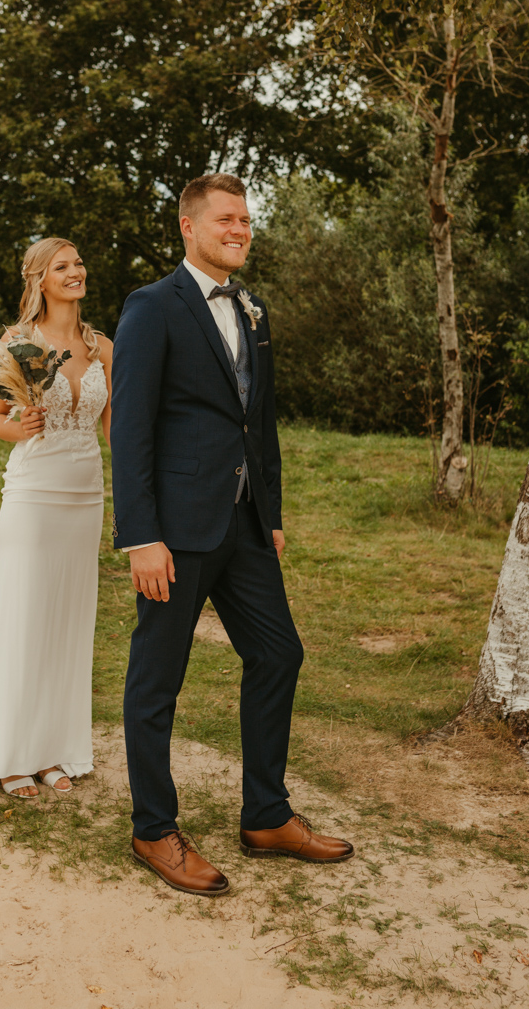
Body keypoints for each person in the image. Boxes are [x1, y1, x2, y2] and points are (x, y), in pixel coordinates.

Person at [110, 173, 354, 896]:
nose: (240, 230)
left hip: (244, 525)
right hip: (175, 532)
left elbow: (259, 420)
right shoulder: (152, 306)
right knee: (157, 679)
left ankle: (266, 816)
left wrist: (270, 515)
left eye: (246, 219)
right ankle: (153, 829)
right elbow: (130, 428)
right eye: (226, 219)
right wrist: (140, 535)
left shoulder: (253, 308)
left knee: (279, 653)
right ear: (189, 227)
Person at [0, 237, 112, 799]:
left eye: (79, 262)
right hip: (33, 496)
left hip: (85, 498)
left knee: (68, 624)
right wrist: (18, 426)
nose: (75, 272)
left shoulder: (103, 347)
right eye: (62, 266)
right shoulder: (17, 342)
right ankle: (10, 757)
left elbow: (114, 431)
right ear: (40, 280)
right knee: (25, 619)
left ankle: (52, 752)